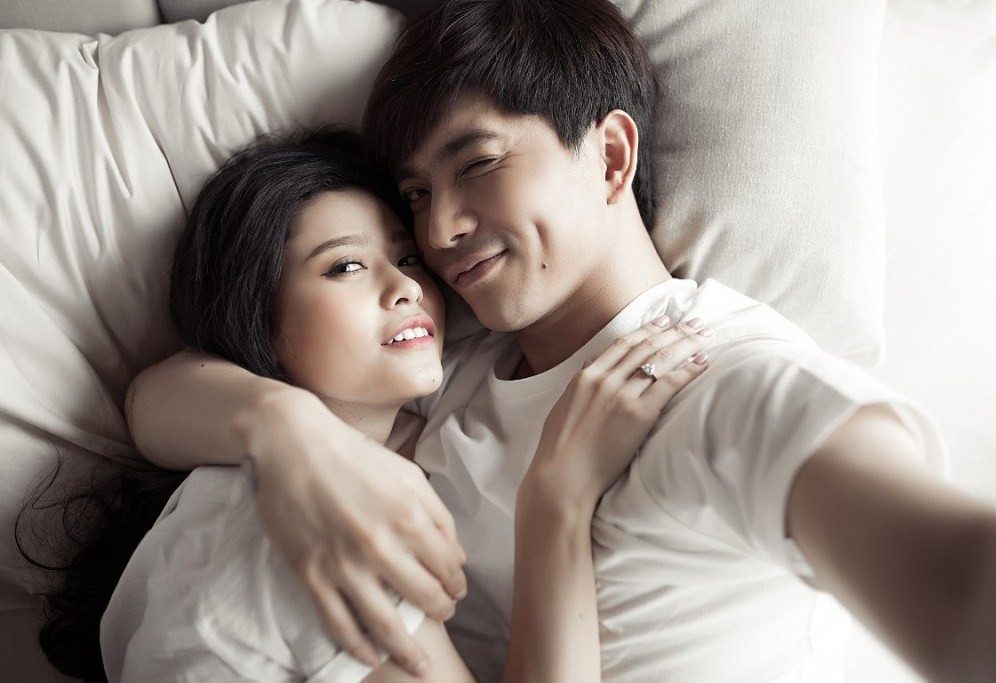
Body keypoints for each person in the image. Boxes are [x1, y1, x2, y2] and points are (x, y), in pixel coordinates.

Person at [125, 1, 996, 681]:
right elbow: (158, 394)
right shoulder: (454, 344)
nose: (440, 231)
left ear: (611, 157)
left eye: (477, 164)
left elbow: (960, 579)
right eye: (418, 196)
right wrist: (288, 433)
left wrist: (559, 499)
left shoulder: (710, 378)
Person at [20, 127, 709, 682]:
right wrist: (559, 499)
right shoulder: (316, 524)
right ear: (259, 321)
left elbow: (156, 396)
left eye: (408, 260)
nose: (405, 286)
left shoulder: (342, 448)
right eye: (345, 265)